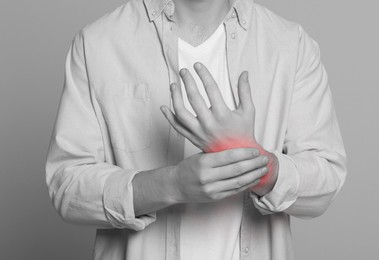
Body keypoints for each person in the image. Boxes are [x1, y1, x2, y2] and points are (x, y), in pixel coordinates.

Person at [45, 0, 347, 259]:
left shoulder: (289, 45)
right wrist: (171, 184)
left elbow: (326, 176)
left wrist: (256, 163)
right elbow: (66, 183)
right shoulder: (98, 43)